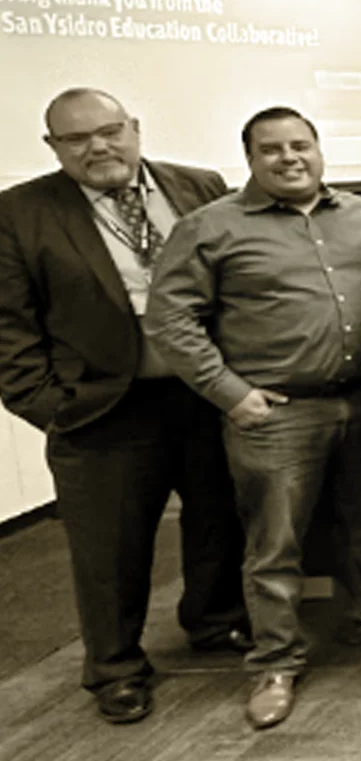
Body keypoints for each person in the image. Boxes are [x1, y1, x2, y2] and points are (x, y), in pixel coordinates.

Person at [146, 107, 361, 729]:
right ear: (250, 158)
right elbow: (169, 321)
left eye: (300, 146)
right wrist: (229, 392)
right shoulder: (211, 227)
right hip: (276, 411)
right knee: (275, 544)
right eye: (272, 150)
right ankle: (276, 661)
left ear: (319, 150)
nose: (289, 158)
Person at [0, 88, 248, 724]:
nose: (98, 147)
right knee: (109, 550)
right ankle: (115, 668)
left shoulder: (200, 185)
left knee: (218, 519)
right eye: (77, 139)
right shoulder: (19, 213)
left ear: (134, 128)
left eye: (109, 131)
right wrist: (49, 406)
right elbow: (9, 326)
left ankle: (214, 622)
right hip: (102, 408)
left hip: (204, 394)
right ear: (53, 147)